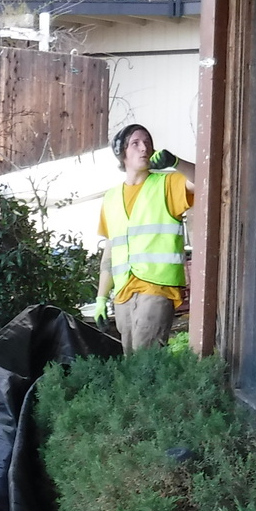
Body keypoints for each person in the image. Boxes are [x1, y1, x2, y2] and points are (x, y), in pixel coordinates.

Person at [93, 123, 195, 351]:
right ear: (122, 153)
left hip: (158, 287)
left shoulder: (167, 183)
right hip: (123, 294)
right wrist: (101, 298)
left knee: (145, 357)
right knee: (133, 365)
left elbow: (204, 180)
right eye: (135, 143)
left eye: (148, 143)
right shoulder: (110, 198)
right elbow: (110, 251)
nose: (144, 148)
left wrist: (176, 163)